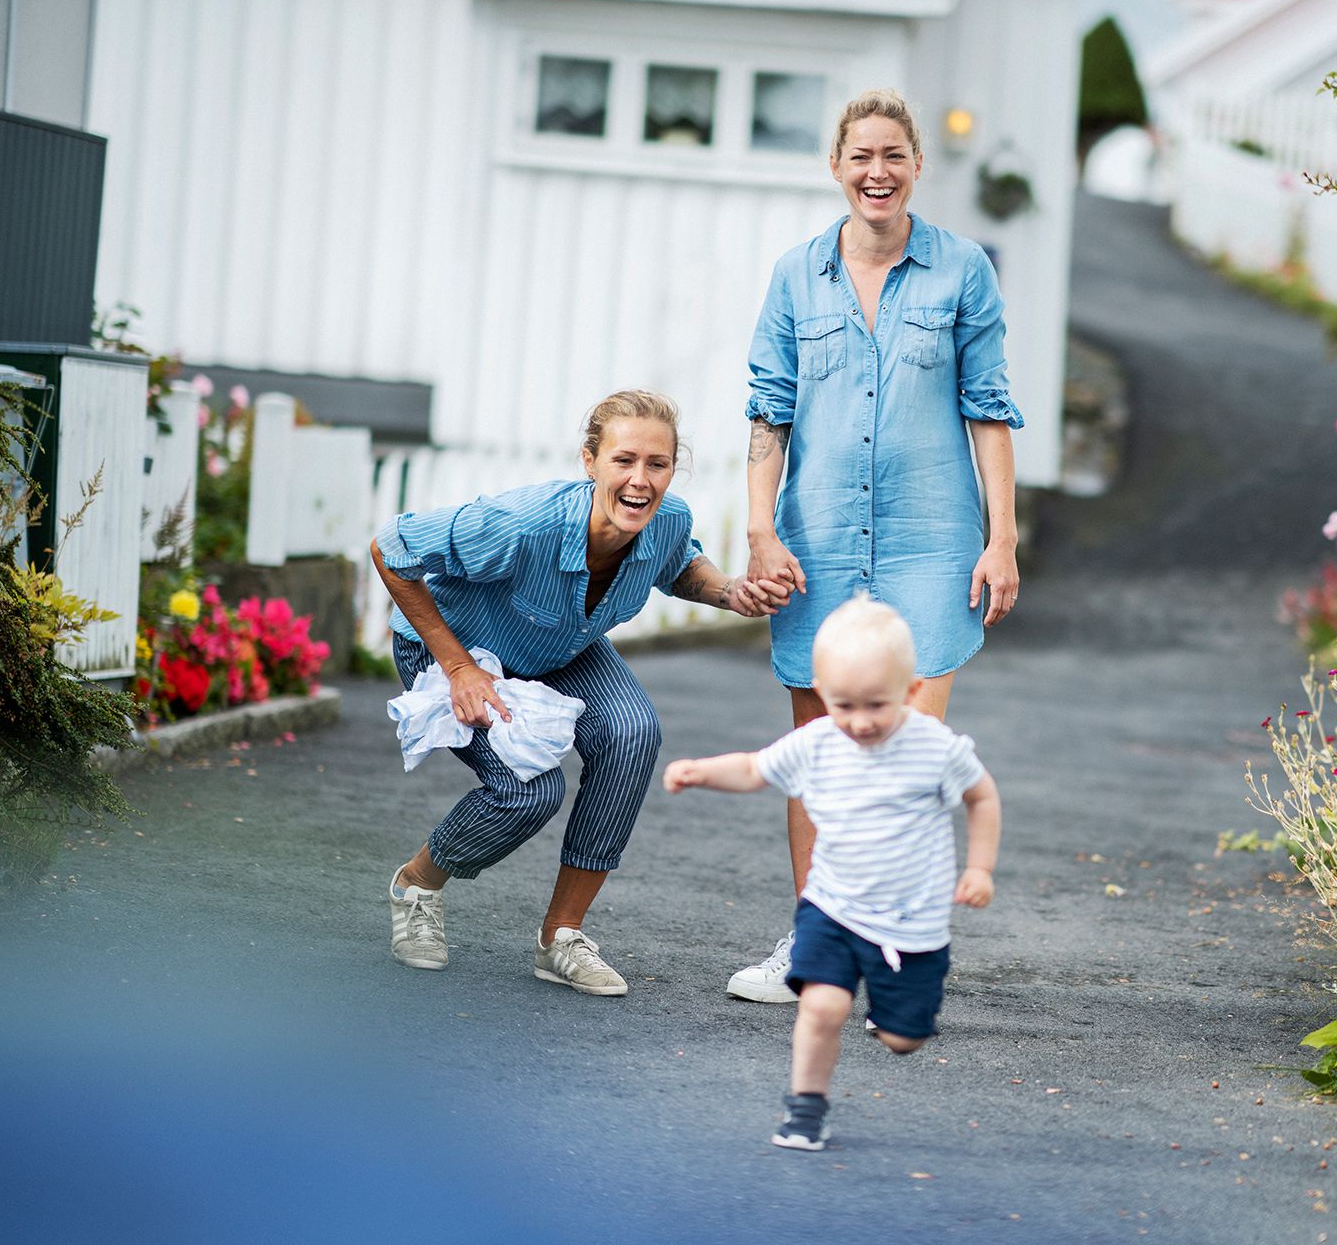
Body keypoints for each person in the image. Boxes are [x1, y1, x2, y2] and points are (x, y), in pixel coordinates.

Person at [729, 89, 1023, 1002]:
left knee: (901, 761)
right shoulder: (795, 276)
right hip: (814, 546)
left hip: (932, 545)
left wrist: (1001, 540)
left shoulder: (962, 269)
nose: (877, 172)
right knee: (819, 757)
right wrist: (761, 531)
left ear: (917, 166)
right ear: (836, 166)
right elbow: (768, 413)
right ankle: (816, 949)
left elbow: (989, 409)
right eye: (861, 155)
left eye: (893, 155)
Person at [371, 390, 787, 995]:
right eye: (623, 461)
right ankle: (417, 884)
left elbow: (677, 566)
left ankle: (560, 937)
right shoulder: (523, 524)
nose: (640, 480)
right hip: (459, 651)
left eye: (657, 464)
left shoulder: (666, 520)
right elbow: (393, 547)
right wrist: (458, 666)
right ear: (589, 461)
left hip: (557, 648)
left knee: (632, 732)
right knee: (528, 793)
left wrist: (730, 592)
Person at [663, 595, 1002, 1151]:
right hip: (832, 908)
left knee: (902, 1038)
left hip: (908, 923)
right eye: (844, 705)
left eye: (877, 705)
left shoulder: (935, 748)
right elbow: (753, 769)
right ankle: (805, 1109)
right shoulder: (819, 742)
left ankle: (891, 1012)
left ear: (912, 693)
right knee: (822, 1006)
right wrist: (702, 771)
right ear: (823, 695)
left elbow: (982, 797)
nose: (861, 722)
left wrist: (980, 867)